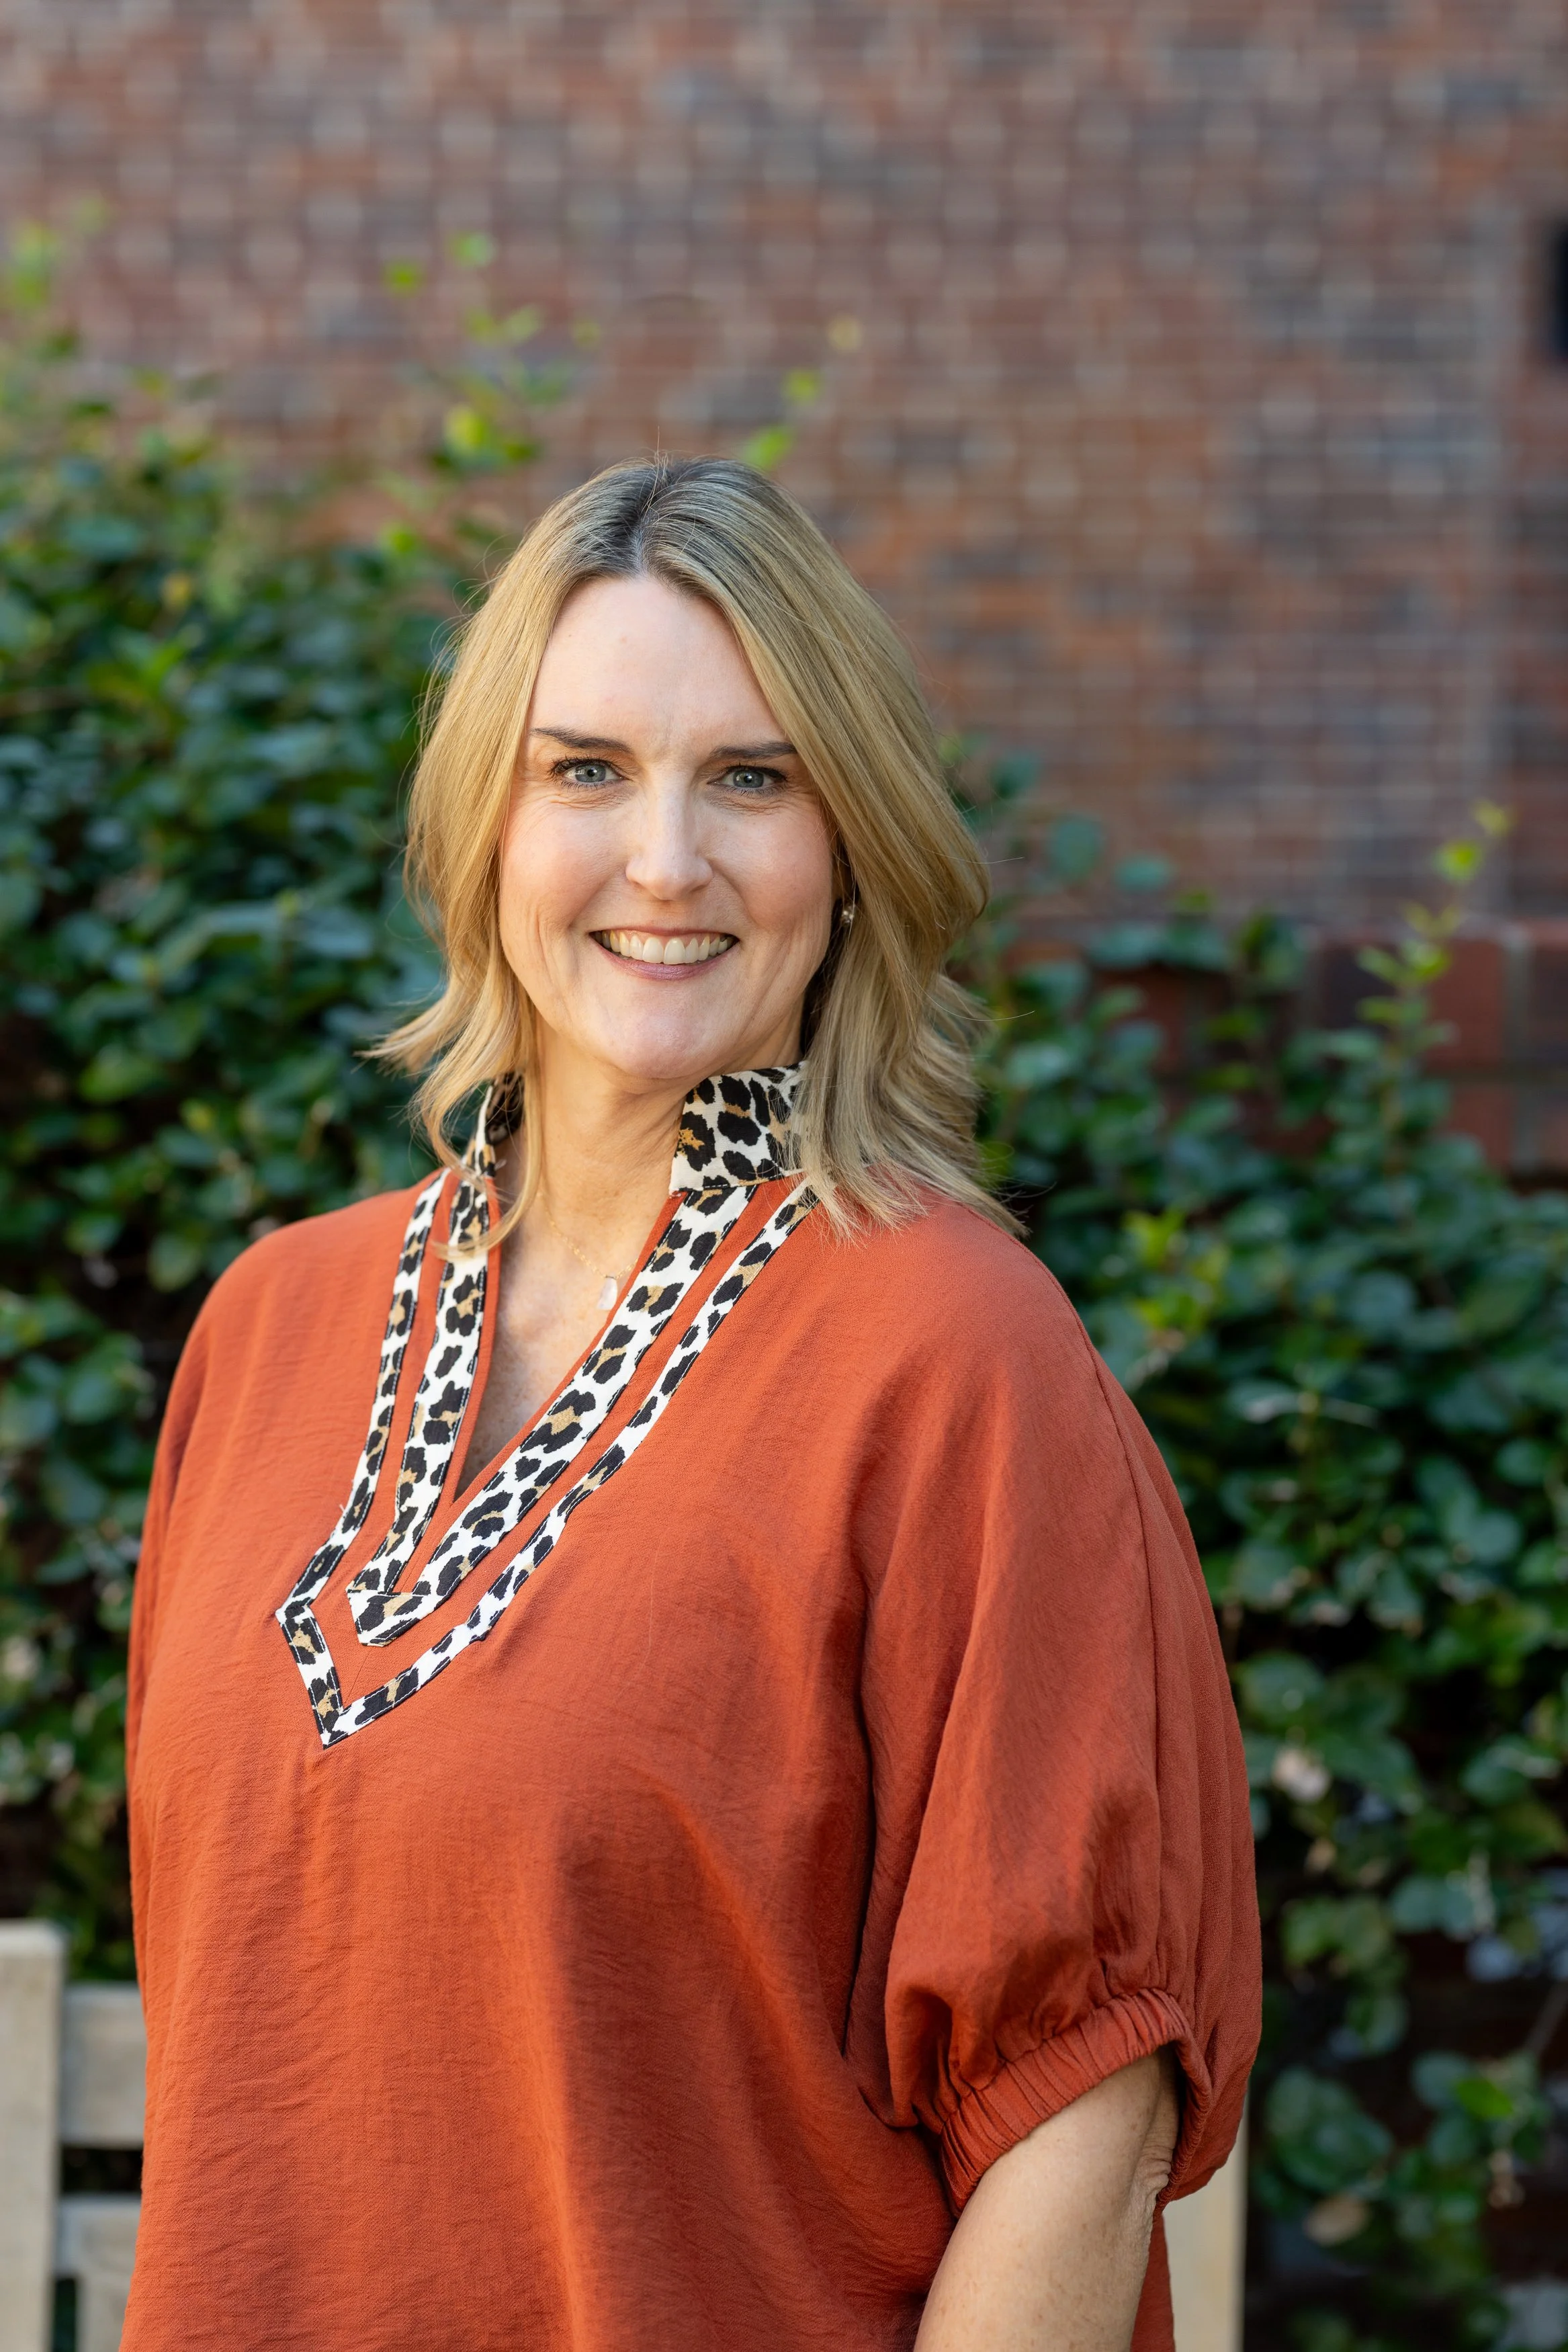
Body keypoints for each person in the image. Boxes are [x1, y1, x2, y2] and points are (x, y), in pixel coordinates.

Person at [124, 457, 1259, 2352]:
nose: (666, 859)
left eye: (752, 776)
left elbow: (1079, 2099)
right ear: (485, 821)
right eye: (585, 769)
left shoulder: (954, 1356)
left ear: (850, 843)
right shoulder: (270, 1327)